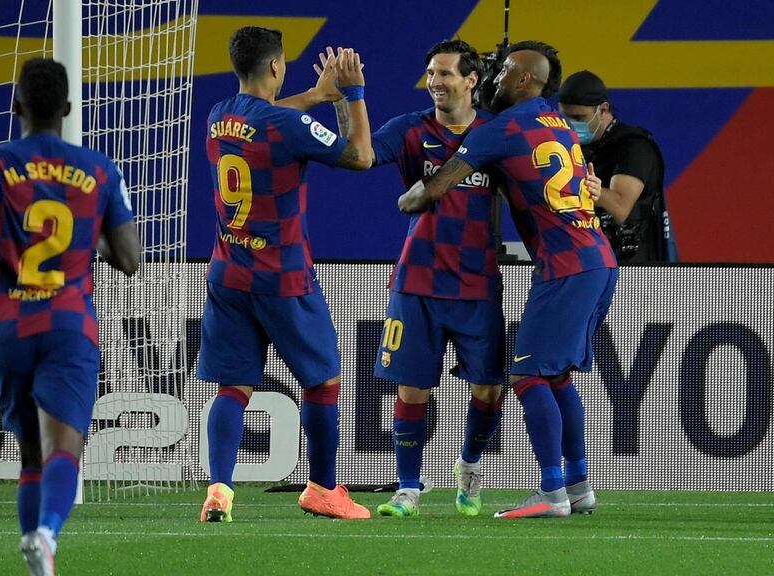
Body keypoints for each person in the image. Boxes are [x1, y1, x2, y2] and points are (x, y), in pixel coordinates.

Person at [399, 41, 615, 519]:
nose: (493, 79)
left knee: (526, 375)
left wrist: (408, 198)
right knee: (556, 377)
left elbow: (432, 190)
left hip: (566, 267)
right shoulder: (557, 124)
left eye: (503, 73)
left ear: (523, 80)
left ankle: (552, 492)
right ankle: (579, 485)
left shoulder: (501, 129)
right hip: (598, 260)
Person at [0, 58, 141, 575]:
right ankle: (45, 535)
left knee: (30, 456)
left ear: (16, 105)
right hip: (67, 324)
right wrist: (95, 244)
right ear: (67, 107)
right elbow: (131, 260)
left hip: (10, 326)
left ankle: (38, 559)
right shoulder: (100, 170)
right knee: (65, 446)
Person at [197, 26, 373, 522]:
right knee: (324, 382)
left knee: (233, 387)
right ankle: (322, 489)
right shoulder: (284, 126)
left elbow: (269, 119)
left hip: (228, 273)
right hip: (283, 277)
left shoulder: (219, 116)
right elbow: (360, 156)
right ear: (276, 66)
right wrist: (352, 93)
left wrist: (316, 96)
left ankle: (220, 491)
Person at [337, 39, 507, 518]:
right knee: (411, 389)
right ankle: (408, 487)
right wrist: (348, 97)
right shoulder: (412, 130)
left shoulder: (496, 133)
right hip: (417, 280)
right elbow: (359, 155)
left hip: (477, 283)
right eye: (431, 73)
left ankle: (470, 467)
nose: (435, 82)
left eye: (446, 74)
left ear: (472, 80)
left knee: (489, 390)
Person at [558, 70, 676, 263]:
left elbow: (620, 208)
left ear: (603, 110)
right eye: (567, 118)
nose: (572, 125)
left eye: (579, 118)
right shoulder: (572, 147)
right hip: (587, 261)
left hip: (632, 268)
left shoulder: (633, 147)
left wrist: (581, 187)